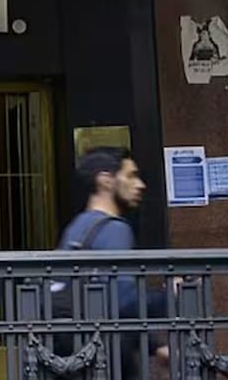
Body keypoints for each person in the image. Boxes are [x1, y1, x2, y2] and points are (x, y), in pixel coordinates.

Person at [55, 147, 167, 379]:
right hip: (106, 354)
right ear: (105, 180)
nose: (140, 185)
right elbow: (122, 302)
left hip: (75, 352)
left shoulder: (77, 226)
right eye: (131, 176)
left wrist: (153, 345)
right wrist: (169, 296)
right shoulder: (114, 229)